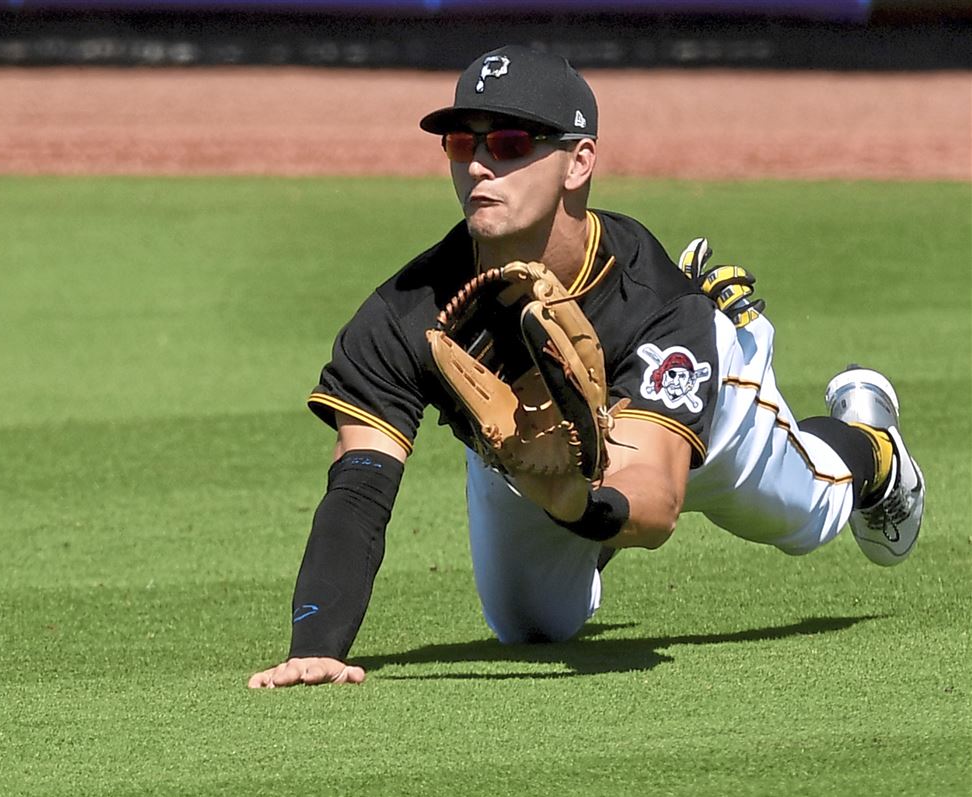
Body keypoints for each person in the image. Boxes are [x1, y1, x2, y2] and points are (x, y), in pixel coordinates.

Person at [247, 45, 926, 689]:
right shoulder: (408, 311)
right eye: (462, 143)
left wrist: (577, 503)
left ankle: (868, 445)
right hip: (535, 461)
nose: (481, 164)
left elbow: (657, 506)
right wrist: (314, 650)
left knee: (801, 516)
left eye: (510, 144)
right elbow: (361, 482)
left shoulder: (652, 302)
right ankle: (590, 522)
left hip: (697, 415)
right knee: (532, 626)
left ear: (578, 163)